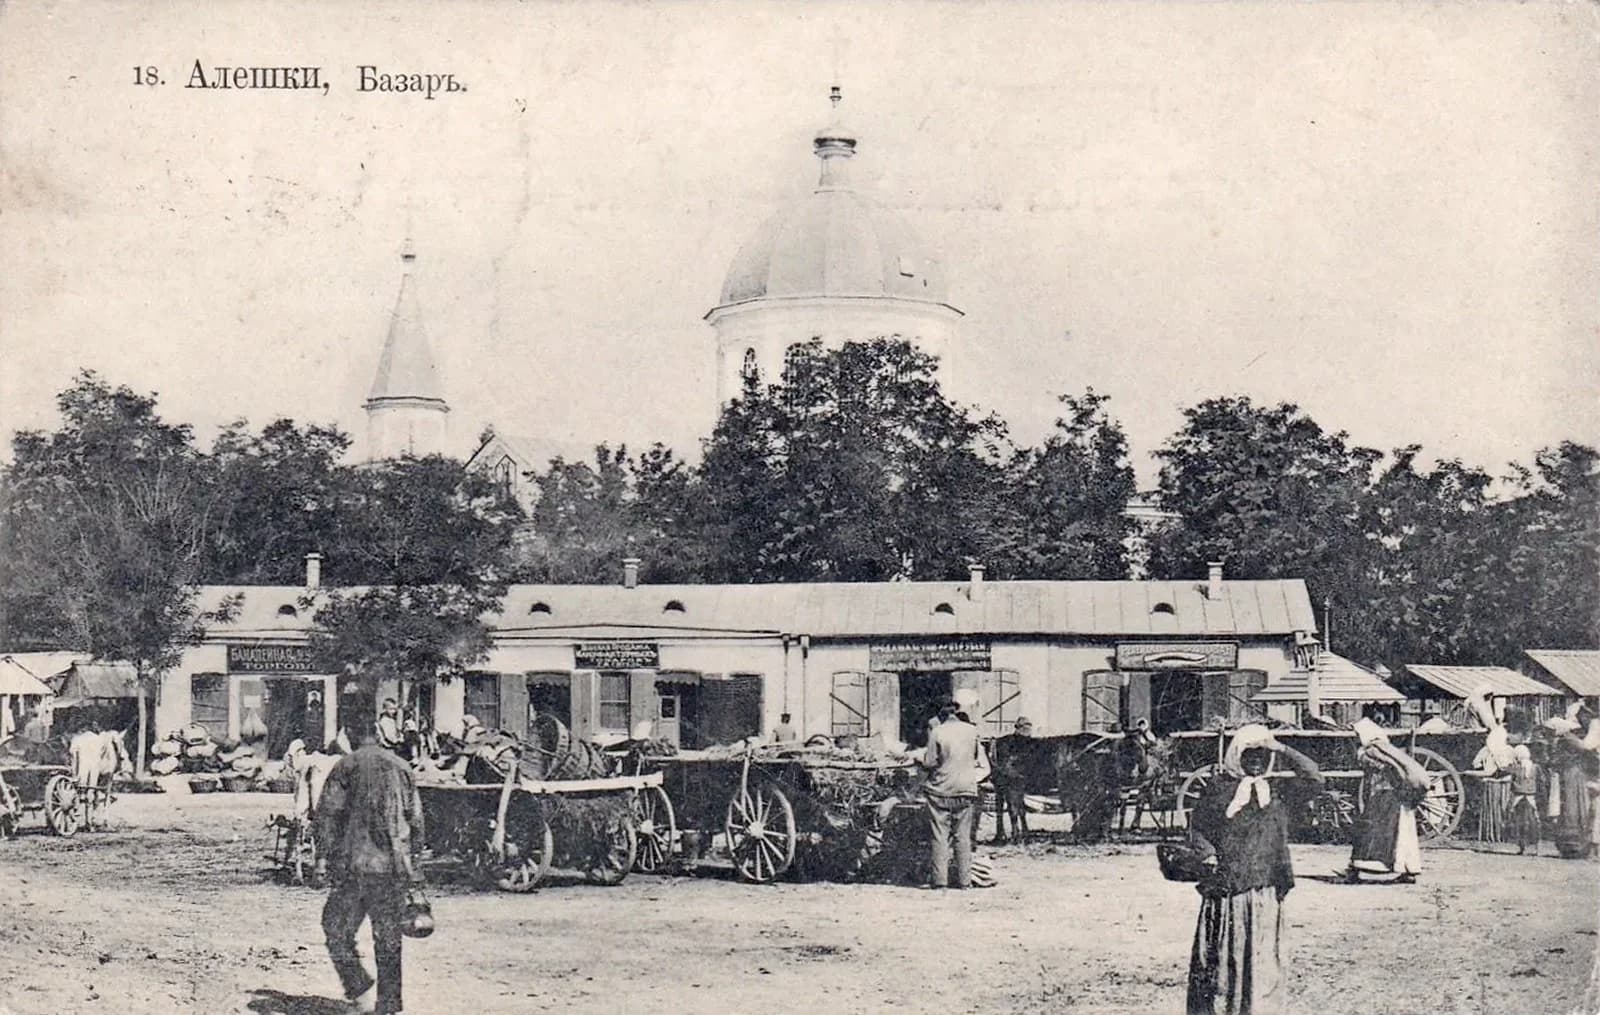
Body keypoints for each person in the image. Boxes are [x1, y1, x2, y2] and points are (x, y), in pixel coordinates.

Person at [1186, 724, 1323, 1015]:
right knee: (1223, 963)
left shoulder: (1278, 791)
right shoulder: (1219, 790)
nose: (1257, 760)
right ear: (1236, 755)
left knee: (1262, 962)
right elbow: (1198, 828)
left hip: (1265, 891)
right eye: (1250, 754)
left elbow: (1314, 777)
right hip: (1228, 895)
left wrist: (1282, 748)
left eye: (1262, 754)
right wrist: (1208, 853)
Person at [317, 711, 425, 1015]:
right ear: (379, 732)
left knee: (334, 927)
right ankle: (388, 1004)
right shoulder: (402, 767)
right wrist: (413, 865)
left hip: (356, 866)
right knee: (388, 936)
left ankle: (359, 986)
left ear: (349, 734)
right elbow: (416, 822)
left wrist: (323, 858)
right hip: (393, 867)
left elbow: (327, 815)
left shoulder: (346, 765)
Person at [1345, 718, 1430, 883]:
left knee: (1374, 832)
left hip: (1386, 796)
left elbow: (1381, 770)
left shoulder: (1369, 751)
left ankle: (1358, 869)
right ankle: (1408, 870)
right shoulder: (1389, 749)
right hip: (1400, 794)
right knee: (1405, 833)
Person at [919, 697, 990, 888]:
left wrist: (922, 761)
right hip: (966, 789)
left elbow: (931, 762)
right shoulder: (972, 731)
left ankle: (940, 882)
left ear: (940, 715)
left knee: (939, 836)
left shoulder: (937, 731)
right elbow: (977, 758)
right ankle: (965, 882)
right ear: (956, 712)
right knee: (963, 837)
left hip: (941, 791)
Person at [990, 716, 1034, 845]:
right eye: (1024, 727)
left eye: (1028, 727)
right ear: (1017, 728)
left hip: (1018, 778)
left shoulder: (1029, 743)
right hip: (1009, 778)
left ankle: (1021, 832)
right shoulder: (1007, 742)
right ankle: (1015, 832)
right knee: (1013, 806)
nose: (1027, 730)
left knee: (1018, 807)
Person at [1507, 743, 1541, 855]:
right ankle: (1536, 848)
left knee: (1519, 822)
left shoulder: (1517, 767)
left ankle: (1522, 847)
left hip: (1519, 797)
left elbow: (1512, 781)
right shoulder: (1535, 767)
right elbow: (1541, 782)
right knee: (1533, 822)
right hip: (1531, 798)